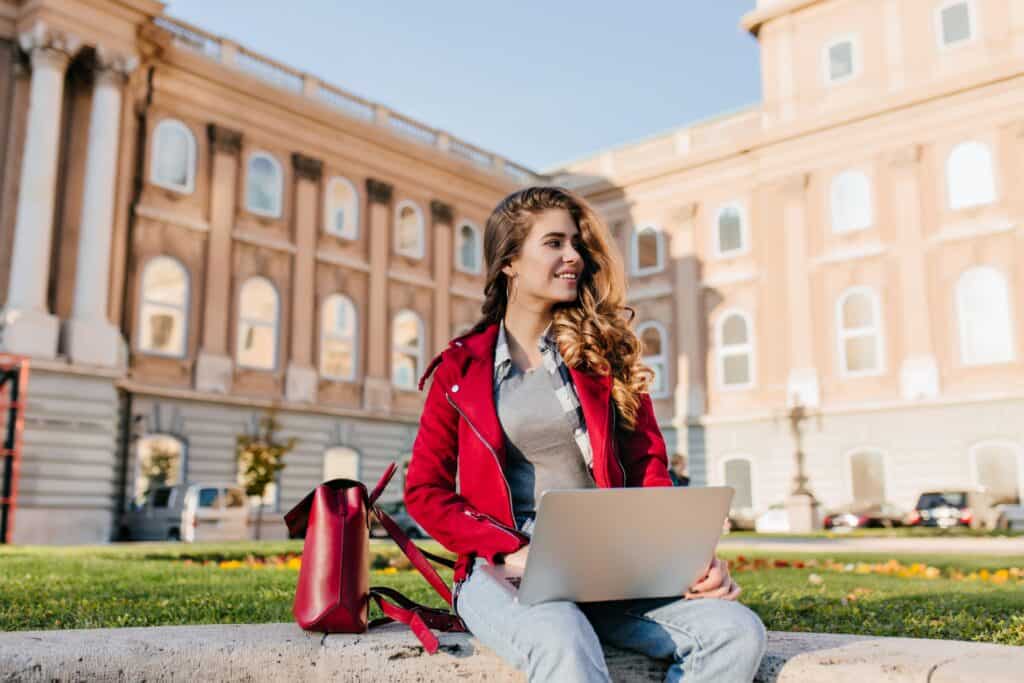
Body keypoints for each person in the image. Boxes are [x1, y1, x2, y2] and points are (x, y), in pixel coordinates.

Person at [405, 187, 766, 682]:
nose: (573, 256)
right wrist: (512, 548)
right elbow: (425, 492)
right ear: (509, 261)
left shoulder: (604, 355)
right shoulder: (460, 369)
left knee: (735, 631)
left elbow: (647, 469)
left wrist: (685, 561)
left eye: (576, 243)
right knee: (561, 637)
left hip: (610, 569)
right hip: (504, 569)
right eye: (554, 243)